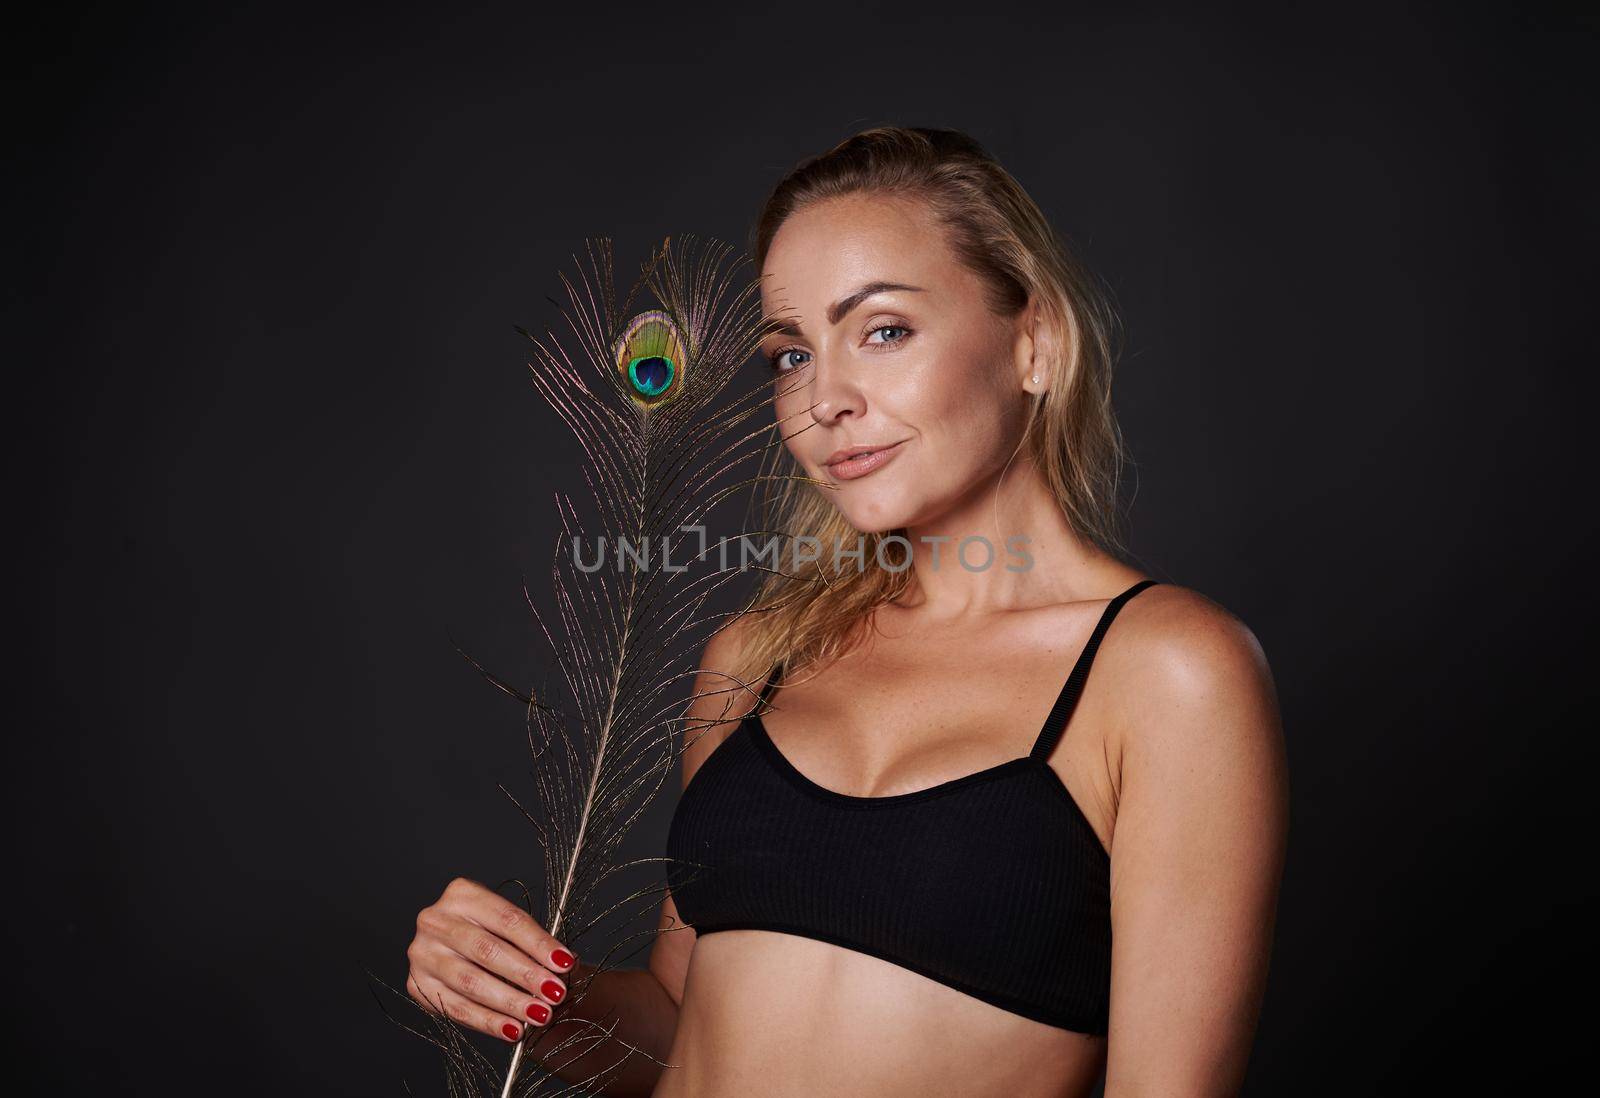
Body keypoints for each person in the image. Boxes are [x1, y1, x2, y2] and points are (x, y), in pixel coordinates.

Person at [404, 126, 1289, 1097]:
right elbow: (680, 1037)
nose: (824, 397)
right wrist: (545, 999)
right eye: (789, 355)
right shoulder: (757, 656)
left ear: (1033, 344)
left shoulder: (1165, 672)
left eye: (882, 331)